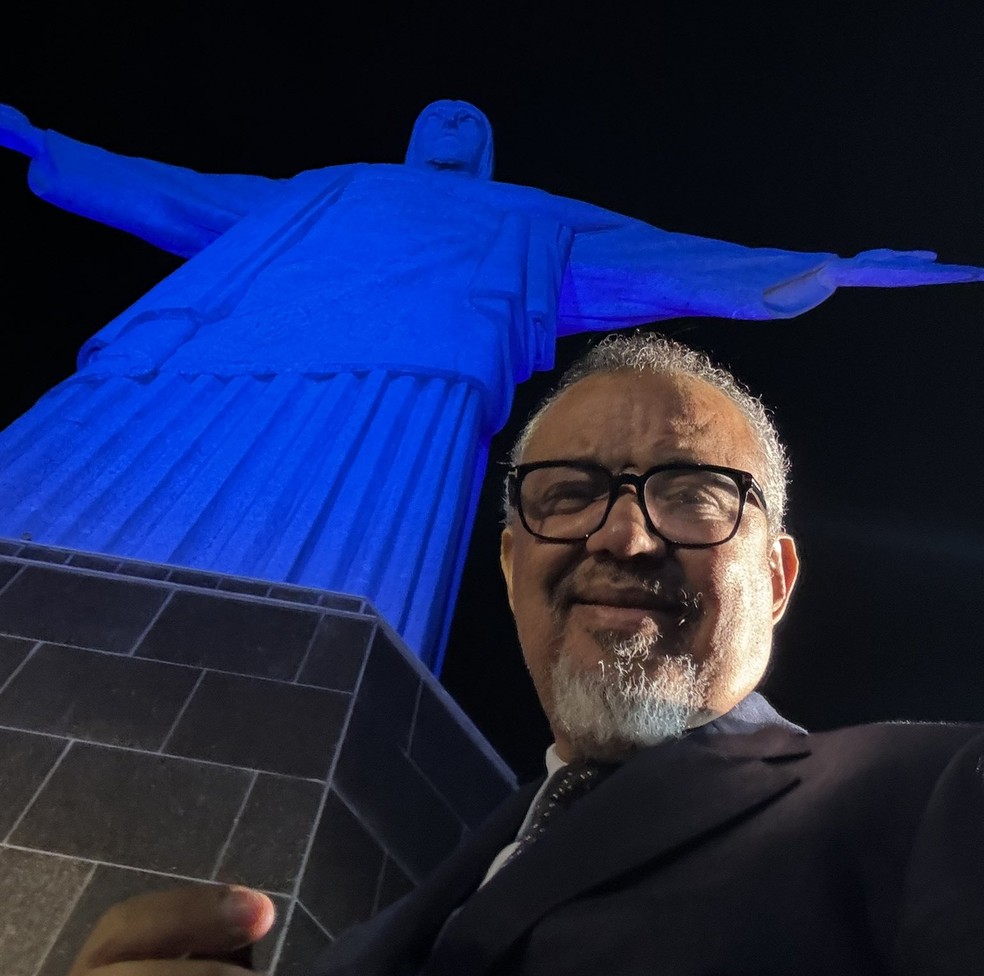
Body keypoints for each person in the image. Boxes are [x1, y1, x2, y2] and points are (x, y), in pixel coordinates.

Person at [68, 332, 984, 975]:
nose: (623, 538)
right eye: (570, 492)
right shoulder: (374, 933)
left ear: (777, 579)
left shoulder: (940, 795)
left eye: (694, 495)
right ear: (511, 564)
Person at [0, 100, 981, 668]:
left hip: (400, 397)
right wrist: (46, 146)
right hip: (201, 370)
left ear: (487, 153)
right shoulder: (331, 186)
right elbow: (182, 192)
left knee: (326, 588)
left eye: (470, 123)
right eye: (438, 117)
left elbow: (664, 256)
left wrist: (826, 265)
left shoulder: (525, 213)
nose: (452, 127)